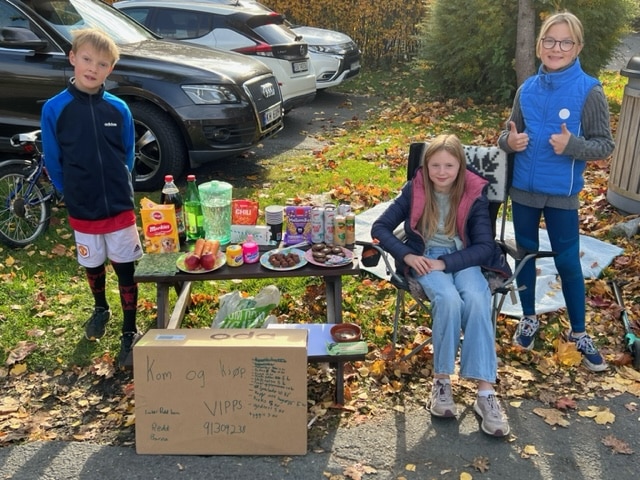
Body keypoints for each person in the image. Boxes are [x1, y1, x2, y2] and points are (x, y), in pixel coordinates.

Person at [371, 134, 511, 437]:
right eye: (435, 165)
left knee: (476, 298)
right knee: (448, 299)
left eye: (449, 165)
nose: (442, 172)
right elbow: (379, 227)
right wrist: (407, 254)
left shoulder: (473, 192)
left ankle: (485, 394)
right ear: (426, 166)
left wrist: (446, 264)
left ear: (460, 166)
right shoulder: (416, 189)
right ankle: (441, 382)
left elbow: (486, 246)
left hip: (462, 258)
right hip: (424, 257)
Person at [498, 12, 615, 372]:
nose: (556, 48)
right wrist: (510, 141)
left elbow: (604, 144)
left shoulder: (589, 90)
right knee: (526, 256)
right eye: (549, 41)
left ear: (577, 47)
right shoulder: (527, 89)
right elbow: (506, 135)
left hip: (562, 195)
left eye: (565, 42)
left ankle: (579, 332)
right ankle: (529, 317)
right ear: (539, 46)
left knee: (567, 262)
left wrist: (572, 146)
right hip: (524, 193)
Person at [41, 28, 142, 369]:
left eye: (102, 64)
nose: (92, 68)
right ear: (73, 58)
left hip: (119, 204)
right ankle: (101, 308)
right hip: (82, 204)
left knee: (125, 267)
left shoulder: (119, 108)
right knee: (93, 262)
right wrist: (68, 190)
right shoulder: (56, 109)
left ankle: (130, 329)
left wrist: (120, 183)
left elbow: (127, 154)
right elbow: (53, 159)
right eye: (86, 59)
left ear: (110, 69)